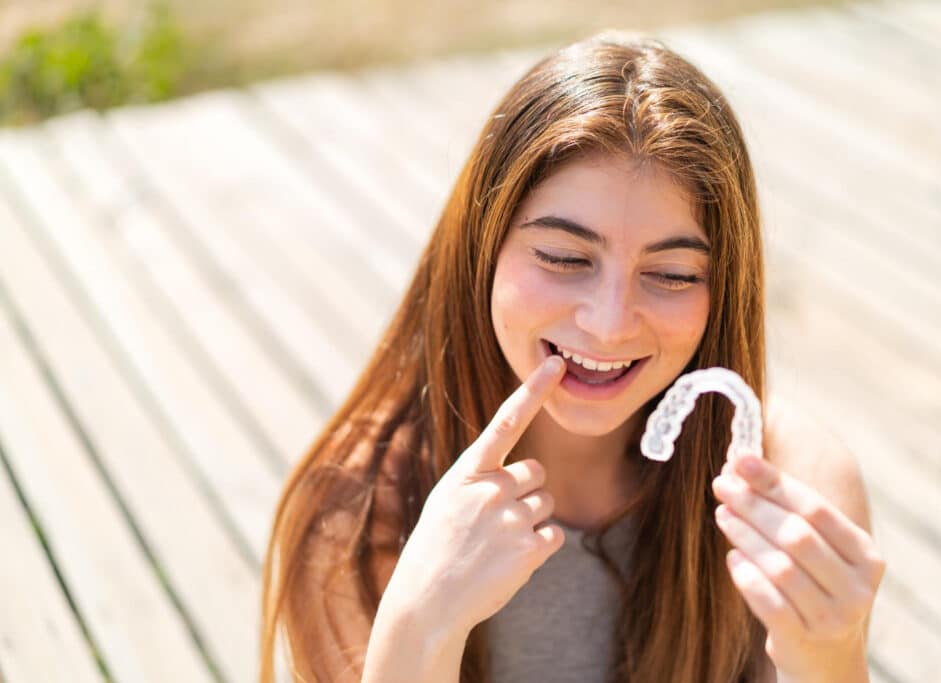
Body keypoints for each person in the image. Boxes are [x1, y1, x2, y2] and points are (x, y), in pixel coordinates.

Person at [258, 31, 885, 683]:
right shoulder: (357, 511)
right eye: (564, 258)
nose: (609, 325)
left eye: (670, 274)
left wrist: (830, 657)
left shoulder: (794, 483)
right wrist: (418, 625)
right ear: (481, 248)